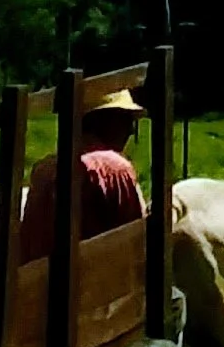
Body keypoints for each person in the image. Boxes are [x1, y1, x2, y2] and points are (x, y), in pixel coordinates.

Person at [19, 90, 146, 261]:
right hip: (95, 280)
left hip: (36, 281)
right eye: (125, 120)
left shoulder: (44, 168)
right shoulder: (114, 167)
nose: (130, 131)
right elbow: (136, 239)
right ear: (105, 120)